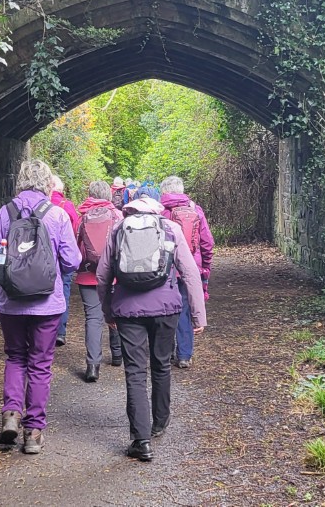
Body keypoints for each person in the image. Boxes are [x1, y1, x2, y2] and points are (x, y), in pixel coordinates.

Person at [0, 160, 81, 455]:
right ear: (47, 183)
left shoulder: (5, 213)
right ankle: (34, 433)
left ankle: (11, 414)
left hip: (10, 302)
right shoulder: (58, 216)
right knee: (40, 364)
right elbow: (72, 261)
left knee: (15, 357)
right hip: (47, 304)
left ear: (20, 181)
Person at [96, 196, 206, 462]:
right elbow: (189, 272)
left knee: (135, 372)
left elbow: (102, 275)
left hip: (127, 309)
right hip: (167, 308)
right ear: (157, 210)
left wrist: (108, 310)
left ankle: (141, 440)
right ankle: (160, 422)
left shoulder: (118, 228)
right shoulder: (170, 228)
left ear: (129, 210)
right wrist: (197, 315)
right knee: (161, 365)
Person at [159, 175, 215, 369]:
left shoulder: (161, 212)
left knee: (165, 309)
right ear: (182, 190)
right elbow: (207, 242)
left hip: (167, 268)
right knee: (184, 308)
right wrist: (205, 266)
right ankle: (184, 355)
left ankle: (165, 352)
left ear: (164, 192)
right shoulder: (195, 210)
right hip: (191, 267)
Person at [74, 180, 124, 381]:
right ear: (109, 195)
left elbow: (75, 247)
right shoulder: (118, 216)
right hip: (113, 275)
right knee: (117, 311)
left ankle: (92, 366)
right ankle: (117, 354)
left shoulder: (82, 217)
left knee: (93, 319)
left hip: (88, 275)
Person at [51, 176, 80, 347]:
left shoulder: (38, 205)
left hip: (40, 260)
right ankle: (60, 331)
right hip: (62, 258)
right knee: (64, 291)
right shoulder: (66, 206)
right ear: (61, 190)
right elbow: (75, 231)